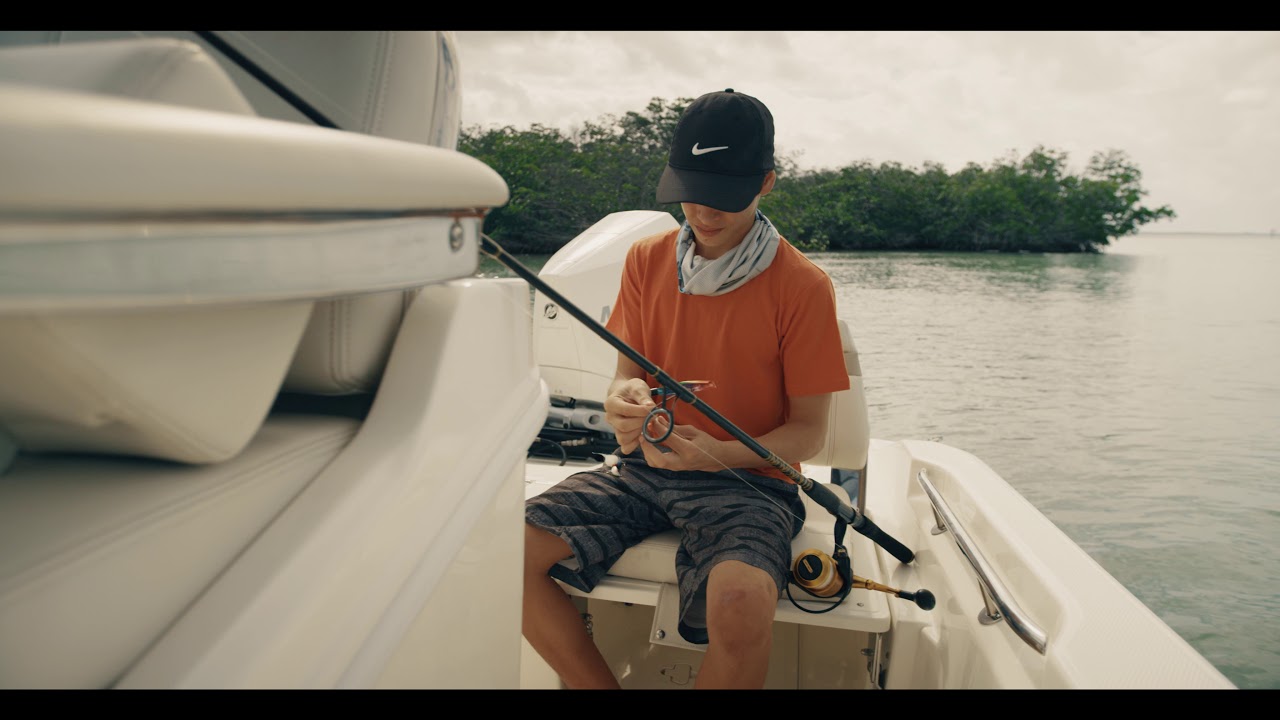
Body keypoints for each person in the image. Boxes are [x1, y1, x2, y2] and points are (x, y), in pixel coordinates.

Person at [522, 89, 850, 689]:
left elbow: (809, 432)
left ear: (767, 182)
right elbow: (627, 376)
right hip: (641, 470)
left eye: (724, 194)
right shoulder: (644, 260)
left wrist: (718, 453)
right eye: (692, 189)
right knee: (507, 552)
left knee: (741, 604)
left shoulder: (803, 286)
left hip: (750, 484)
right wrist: (624, 402)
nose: (703, 210)